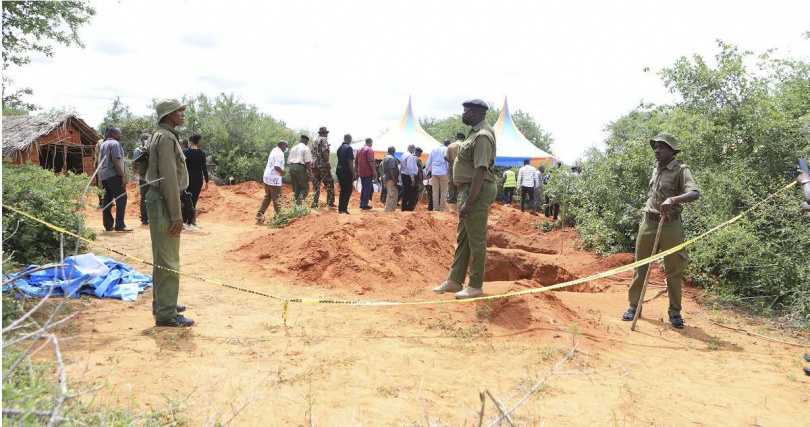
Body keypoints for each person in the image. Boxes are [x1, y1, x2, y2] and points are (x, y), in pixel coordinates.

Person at [622, 133, 699, 329]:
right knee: (641, 267)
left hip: (671, 225)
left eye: (661, 147)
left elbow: (694, 193)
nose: (656, 150)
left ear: (671, 150)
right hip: (649, 223)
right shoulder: (655, 169)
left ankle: (675, 312)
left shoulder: (681, 170)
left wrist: (673, 200)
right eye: (655, 147)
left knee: (674, 271)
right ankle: (634, 306)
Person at [433, 99, 497, 299]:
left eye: (466, 111)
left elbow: (480, 169)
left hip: (476, 191)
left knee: (476, 240)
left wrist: (469, 202)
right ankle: (455, 280)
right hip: (469, 189)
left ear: (476, 112)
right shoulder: (474, 132)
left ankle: (475, 285)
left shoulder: (483, 135)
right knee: (464, 237)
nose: (464, 114)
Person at [145, 99, 192, 327]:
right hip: (165, 200)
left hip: (160, 199)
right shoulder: (165, 138)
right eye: (178, 111)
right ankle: (166, 313)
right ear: (167, 114)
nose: (182, 114)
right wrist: (176, 214)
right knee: (168, 259)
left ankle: (164, 303)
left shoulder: (162, 135)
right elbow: (169, 179)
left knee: (162, 256)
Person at [99, 127, 132, 232]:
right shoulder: (115, 144)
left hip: (103, 175)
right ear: (113, 134)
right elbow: (115, 161)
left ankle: (108, 225)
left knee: (107, 200)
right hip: (113, 174)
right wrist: (123, 175)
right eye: (119, 133)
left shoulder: (103, 144)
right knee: (122, 197)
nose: (121, 135)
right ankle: (120, 225)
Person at [256, 140, 288, 223]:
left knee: (268, 196)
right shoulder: (280, 153)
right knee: (277, 198)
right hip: (274, 179)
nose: (286, 148)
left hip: (267, 177)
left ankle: (259, 214)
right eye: (286, 146)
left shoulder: (274, 150)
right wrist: (283, 172)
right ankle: (279, 218)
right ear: (283, 146)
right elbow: (276, 167)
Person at [183, 133, 209, 230]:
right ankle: (190, 223)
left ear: (190, 142)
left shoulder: (185, 152)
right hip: (198, 179)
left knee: (186, 199)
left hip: (187, 179)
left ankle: (184, 222)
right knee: (193, 201)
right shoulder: (202, 153)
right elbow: (204, 168)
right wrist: (207, 181)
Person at [311, 126, 336, 208]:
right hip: (322, 165)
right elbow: (324, 151)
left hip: (314, 165)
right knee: (329, 182)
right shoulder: (324, 139)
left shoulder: (314, 141)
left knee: (316, 184)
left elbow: (314, 152)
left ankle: (314, 203)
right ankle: (330, 202)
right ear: (325, 133)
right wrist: (327, 162)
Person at [132, 132, 151, 225]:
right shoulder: (138, 150)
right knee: (145, 198)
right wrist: (136, 175)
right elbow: (134, 163)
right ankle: (144, 218)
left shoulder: (150, 149)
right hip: (145, 177)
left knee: (147, 197)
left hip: (149, 177)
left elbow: (134, 164)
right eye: (146, 139)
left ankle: (148, 217)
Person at [288, 135, 313, 205]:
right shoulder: (306, 148)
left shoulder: (293, 147)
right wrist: (310, 173)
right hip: (300, 167)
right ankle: (297, 205)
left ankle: (296, 206)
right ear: (305, 141)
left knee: (296, 188)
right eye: (307, 142)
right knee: (305, 188)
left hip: (292, 167)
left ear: (300, 140)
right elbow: (308, 162)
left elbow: (289, 160)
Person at [426, 140, 450, 211]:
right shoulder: (446, 149)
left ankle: (435, 208)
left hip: (435, 172)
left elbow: (429, 161)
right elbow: (447, 162)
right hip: (443, 172)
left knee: (435, 191)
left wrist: (427, 170)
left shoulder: (434, 149)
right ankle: (442, 209)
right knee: (444, 191)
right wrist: (448, 172)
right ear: (448, 144)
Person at [336, 134, 356, 214]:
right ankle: (344, 209)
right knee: (348, 189)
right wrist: (353, 172)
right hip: (346, 171)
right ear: (350, 139)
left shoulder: (339, 148)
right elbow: (350, 161)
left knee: (343, 189)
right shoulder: (349, 148)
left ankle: (340, 209)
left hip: (339, 170)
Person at [356, 137, 377, 210]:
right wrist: (374, 172)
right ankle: (364, 204)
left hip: (361, 172)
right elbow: (370, 161)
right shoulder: (369, 149)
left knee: (364, 188)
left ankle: (362, 203)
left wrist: (356, 172)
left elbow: (355, 162)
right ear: (370, 142)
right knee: (367, 188)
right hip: (368, 172)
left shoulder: (358, 150)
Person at [445, 132, 464, 213]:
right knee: (462, 185)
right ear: (463, 138)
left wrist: (453, 164)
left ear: (456, 137)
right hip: (463, 168)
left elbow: (445, 157)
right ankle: (461, 207)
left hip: (452, 167)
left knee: (452, 185)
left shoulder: (450, 146)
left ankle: (452, 208)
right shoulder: (465, 145)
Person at [400, 144, 418, 211]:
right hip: (408, 176)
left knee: (405, 192)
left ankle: (404, 208)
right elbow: (410, 167)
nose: (414, 151)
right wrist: (412, 179)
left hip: (404, 175)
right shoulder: (410, 156)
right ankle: (408, 209)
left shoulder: (403, 155)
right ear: (412, 148)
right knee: (411, 193)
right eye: (414, 149)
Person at [382, 146, 400, 212]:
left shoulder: (386, 157)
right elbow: (391, 169)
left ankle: (391, 210)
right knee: (391, 194)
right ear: (394, 151)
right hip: (390, 179)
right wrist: (394, 179)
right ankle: (388, 210)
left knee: (394, 193)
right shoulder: (391, 158)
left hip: (388, 178)